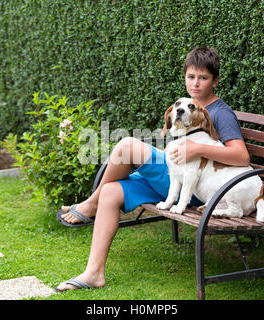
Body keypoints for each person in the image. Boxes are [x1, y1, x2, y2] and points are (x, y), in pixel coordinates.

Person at [55, 46, 250, 291]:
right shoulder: (185, 106)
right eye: (191, 77)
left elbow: (241, 156)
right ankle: (93, 273)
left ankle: (89, 204)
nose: (196, 83)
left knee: (127, 145)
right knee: (111, 192)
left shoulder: (220, 113)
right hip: (170, 178)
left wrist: (197, 149)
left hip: (191, 189)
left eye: (203, 78)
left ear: (215, 80)